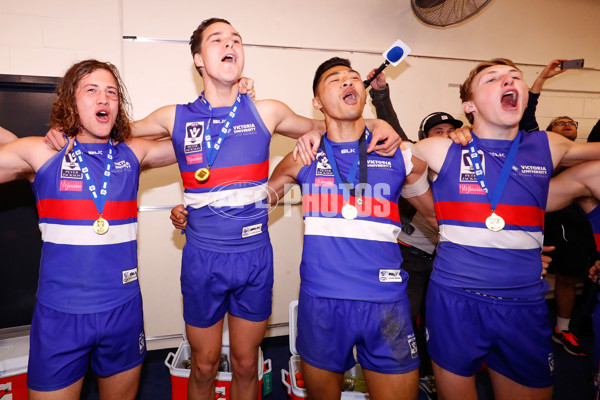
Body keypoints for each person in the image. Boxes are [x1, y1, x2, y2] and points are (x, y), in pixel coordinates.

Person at [117, 18, 400, 400]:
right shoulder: (174, 116)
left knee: (247, 363)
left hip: (254, 257)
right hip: (203, 257)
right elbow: (118, 133)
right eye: (217, 39)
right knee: (203, 365)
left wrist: (380, 120)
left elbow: (335, 121)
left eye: (236, 39)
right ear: (199, 59)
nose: (229, 43)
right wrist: (66, 133)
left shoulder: (266, 111)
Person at [414, 57, 600, 400]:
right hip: (455, 299)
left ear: (525, 97)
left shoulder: (548, 145)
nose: (508, 80)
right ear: (468, 105)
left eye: (515, 77)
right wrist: (430, 212)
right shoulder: (439, 149)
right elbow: (388, 165)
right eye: (493, 78)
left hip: (524, 304)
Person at [0, 59, 176, 400]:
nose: (104, 99)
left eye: (111, 92)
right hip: (60, 317)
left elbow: (189, 139)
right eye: (91, 90)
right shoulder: (43, 152)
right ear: (70, 102)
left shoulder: (132, 153)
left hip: (123, 312)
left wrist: (232, 101)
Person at [267, 56, 438, 400]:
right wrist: (197, 213)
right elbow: (260, 203)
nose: (348, 82)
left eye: (353, 78)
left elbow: (440, 220)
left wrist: (511, 250)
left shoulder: (398, 155)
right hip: (322, 303)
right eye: (335, 79)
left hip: (386, 304)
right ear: (316, 103)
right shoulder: (304, 156)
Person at [366, 69, 462, 400]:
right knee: (403, 319)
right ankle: (409, 373)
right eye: (440, 131)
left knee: (440, 323)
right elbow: (394, 131)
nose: (447, 136)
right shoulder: (416, 162)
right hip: (411, 256)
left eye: (452, 131)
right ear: (427, 137)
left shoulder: (466, 168)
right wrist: (380, 95)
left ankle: (438, 373)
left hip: (448, 259)